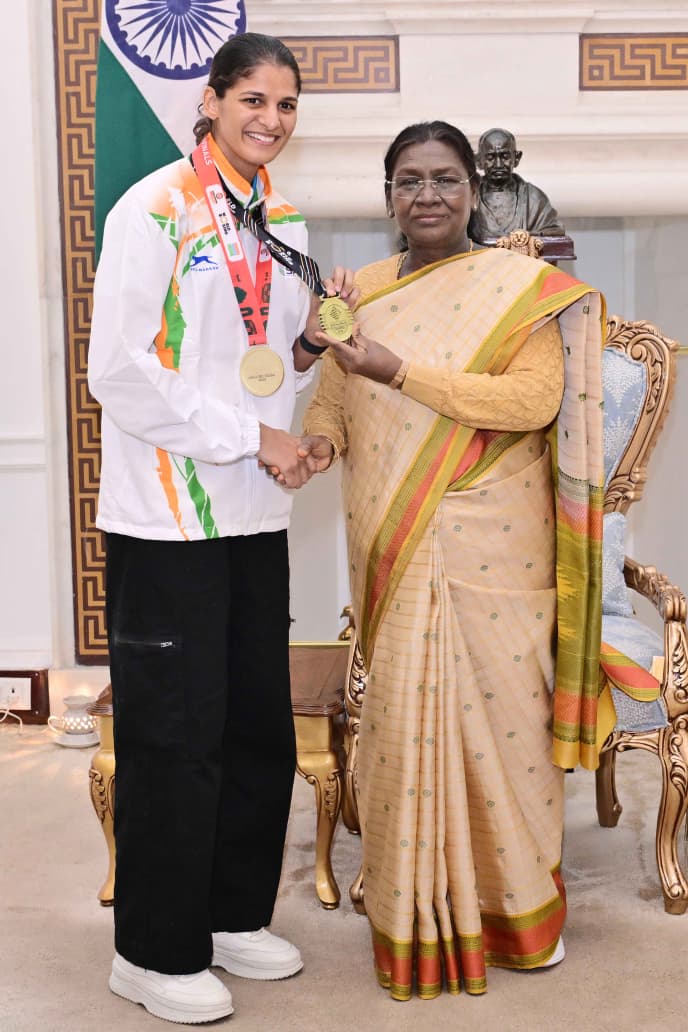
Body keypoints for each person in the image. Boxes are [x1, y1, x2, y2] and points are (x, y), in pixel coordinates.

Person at [299, 121, 605, 1000]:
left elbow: (534, 399)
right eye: (407, 180)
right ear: (387, 194)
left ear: (473, 189)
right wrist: (316, 448)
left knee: (502, 733)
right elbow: (333, 394)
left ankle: (512, 912)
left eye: (443, 179)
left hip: (493, 547)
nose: (425, 195)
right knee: (401, 733)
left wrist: (402, 371)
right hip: (393, 540)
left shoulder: (519, 287)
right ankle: (412, 913)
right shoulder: (360, 291)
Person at [88, 33, 356, 1025]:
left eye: (287, 105)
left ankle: (232, 915)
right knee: (174, 735)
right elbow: (116, 372)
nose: (271, 120)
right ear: (211, 98)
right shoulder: (151, 208)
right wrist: (257, 436)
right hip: (166, 521)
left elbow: (259, 359)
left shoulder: (276, 214)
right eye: (254, 99)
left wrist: (304, 351)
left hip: (253, 514)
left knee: (252, 727)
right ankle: (153, 953)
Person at [468, 127, 565, 242]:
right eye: (490, 157)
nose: (498, 164)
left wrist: (522, 239)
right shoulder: (468, 196)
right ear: (478, 161)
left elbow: (554, 233)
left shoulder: (534, 199)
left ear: (517, 158)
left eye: (505, 156)